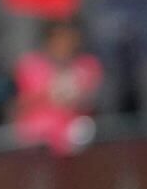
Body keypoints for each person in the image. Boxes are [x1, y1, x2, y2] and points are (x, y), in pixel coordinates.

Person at [14, 16, 103, 153]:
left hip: (79, 140)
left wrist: (78, 95)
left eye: (68, 38)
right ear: (48, 40)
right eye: (59, 38)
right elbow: (22, 103)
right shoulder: (30, 65)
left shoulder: (88, 65)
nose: (64, 44)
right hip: (37, 142)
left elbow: (93, 102)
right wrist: (51, 92)